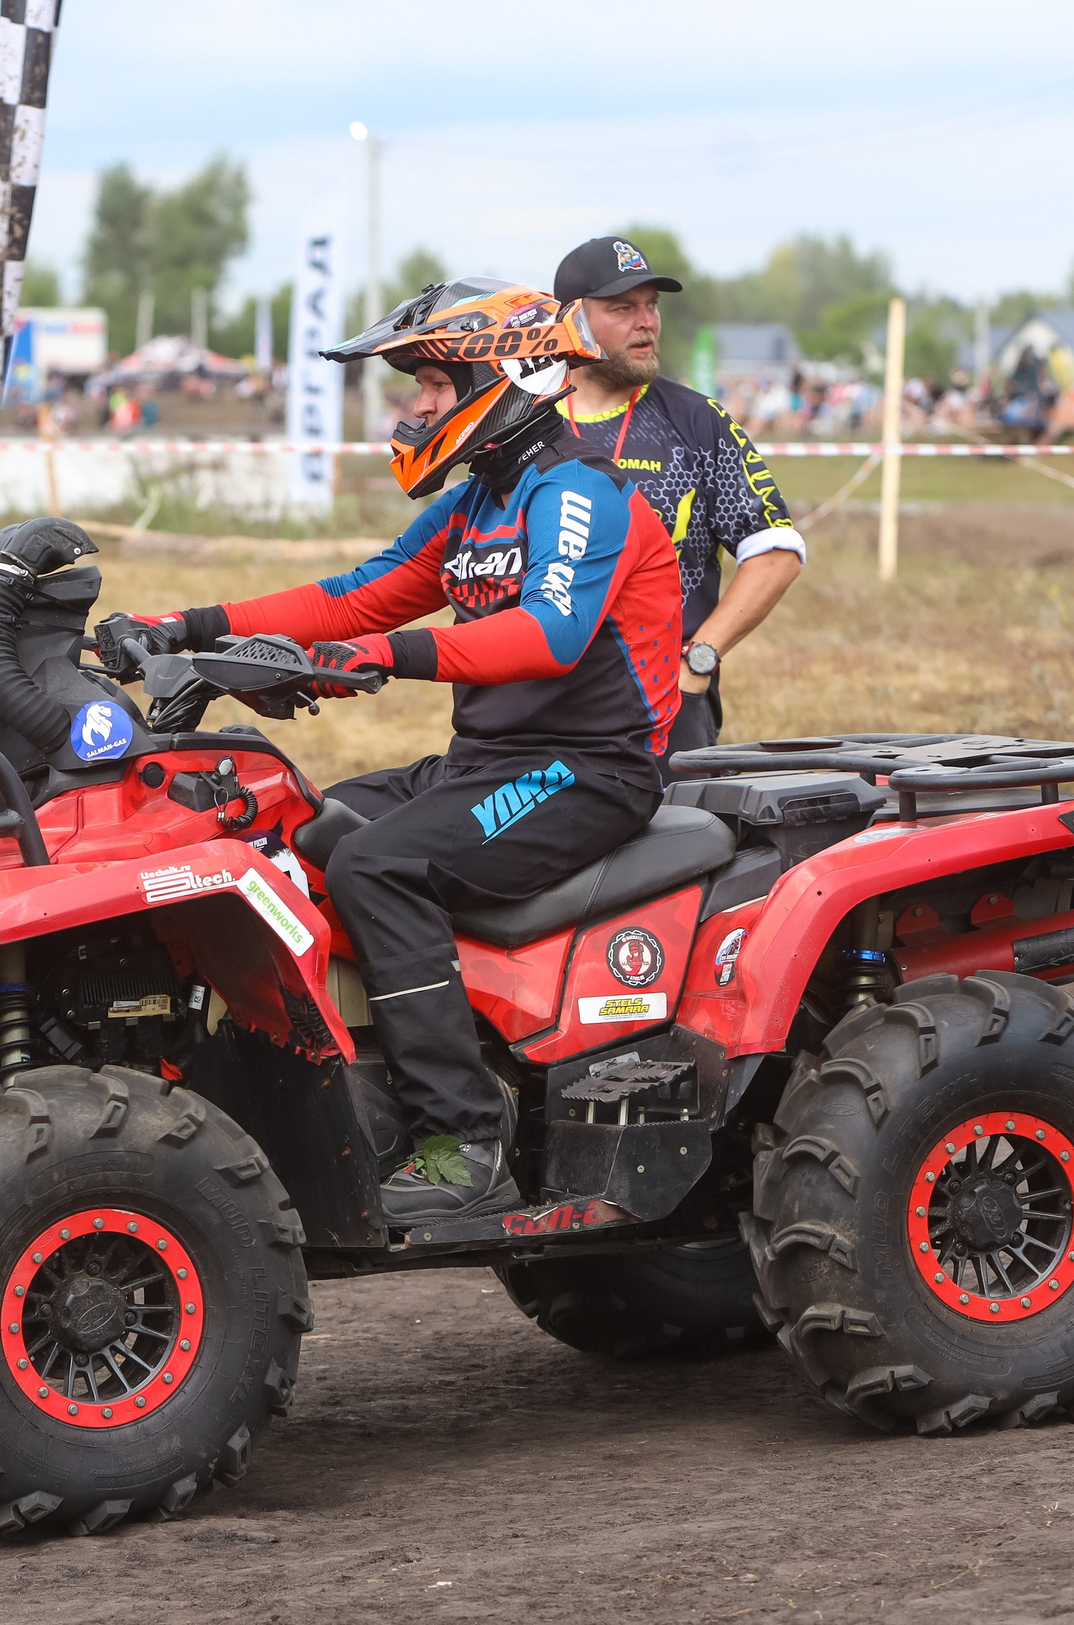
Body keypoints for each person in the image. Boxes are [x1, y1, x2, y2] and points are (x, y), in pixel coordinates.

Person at [136, 280, 684, 1225]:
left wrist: (387, 656)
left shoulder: (580, 491)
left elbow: (550, 633)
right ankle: (365, 1087)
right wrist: (187, 624)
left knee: (381, 861)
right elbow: (355, 596)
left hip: (590, 769)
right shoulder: (479, 502)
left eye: (433, 381)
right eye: (418, 386)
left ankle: (466, 1139)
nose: (417, 406)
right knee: (295, 829)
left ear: (507, 373)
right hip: (488, 764)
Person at [547, 236, 805, 755]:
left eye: (652, 306)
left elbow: (775, 552)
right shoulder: (520, 421)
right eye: (623, 308)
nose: (646, 322)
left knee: (675, 839)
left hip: (664, 702)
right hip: (537, 704)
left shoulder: (696, 420)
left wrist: (700, 659)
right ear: (572, 318)